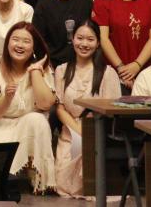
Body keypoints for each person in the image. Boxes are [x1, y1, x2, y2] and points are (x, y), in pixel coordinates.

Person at [0, 21, 55, 194]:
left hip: (28, 124)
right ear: (7, 43)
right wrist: (6, 98)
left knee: (37, 120)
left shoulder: (42, 69)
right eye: (15, 39)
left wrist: (35, 71)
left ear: (34, 47)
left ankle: (38, 181)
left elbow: (45, 104)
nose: (20, 45)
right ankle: (4, 179)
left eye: (26, 41)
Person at [53, 21, 121, 198]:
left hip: (98, 130)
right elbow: (60, 107)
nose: (84, 44)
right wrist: (78, 129)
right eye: (80, 38)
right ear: (72, 39)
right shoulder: (61, 70)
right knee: (63, 182)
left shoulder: (107, 73)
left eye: (90, 39)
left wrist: (89, 131)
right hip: (70, 130)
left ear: (98, 43)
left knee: (90, 177)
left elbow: (112, 111)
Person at [32, 0, 94, 68]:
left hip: (82, 63)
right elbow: (38, 40)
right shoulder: (44, 4)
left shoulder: (85, 0)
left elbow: (92, 33)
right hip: (53, 65)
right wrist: (48, 66)